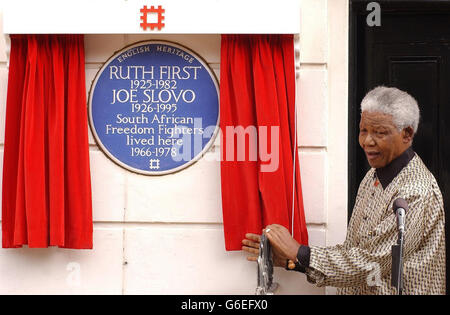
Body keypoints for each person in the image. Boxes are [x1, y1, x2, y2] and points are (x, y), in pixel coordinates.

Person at [242, 86, 446, 295]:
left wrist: (300, 253)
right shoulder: (373, 176)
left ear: (407, 134)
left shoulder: (416, 191)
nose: (367, 141)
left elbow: (371, 263)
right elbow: (353, 252)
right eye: (363, 130)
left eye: (379, 132)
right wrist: (293, 261)